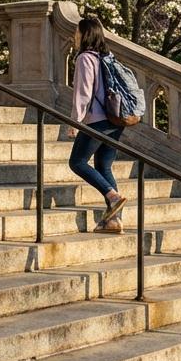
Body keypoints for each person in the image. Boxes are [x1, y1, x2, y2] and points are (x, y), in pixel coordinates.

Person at [68, 16, 129, 233]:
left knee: (77, 162)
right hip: (115, 119)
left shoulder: (85, 58)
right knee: (103, 166)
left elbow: (83, 92)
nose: (74, 35)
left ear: (85, 34)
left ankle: (112, 196)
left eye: (77, 31)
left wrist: (75, 120)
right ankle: (114, 221)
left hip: (97, 120)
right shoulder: (107, 57)